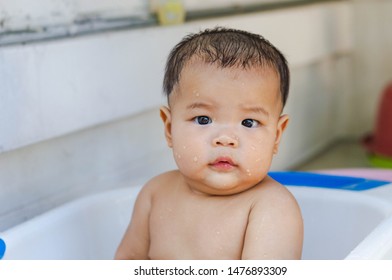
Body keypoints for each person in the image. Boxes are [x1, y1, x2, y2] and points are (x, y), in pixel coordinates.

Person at [115, 27, 303, 260]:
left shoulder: (271, 209)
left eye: (249, 122)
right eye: (203, 119)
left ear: (276, 135)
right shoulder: (154, 194)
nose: (225, 139)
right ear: (169, 128)